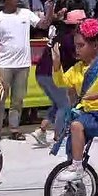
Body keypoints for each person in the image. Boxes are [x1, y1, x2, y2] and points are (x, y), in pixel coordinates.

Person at [51, 18, 98, 182]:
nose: (77, 50)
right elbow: (61, 82)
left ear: (95, 45)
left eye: (81, 45)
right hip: (85, 114)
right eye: (76, 45)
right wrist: (57, 65)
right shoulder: (77, 68)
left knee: (76, 126)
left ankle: (78, 169)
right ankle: (75, 185)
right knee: (72, 147)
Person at [0, 0, 54, 141]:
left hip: (23, 65)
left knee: (17, 100)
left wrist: (50, 9)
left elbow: (43, 24)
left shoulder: (26, 14)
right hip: (3, 65)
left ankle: (14, 129)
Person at [30, 10, 83, 145]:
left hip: (41, 72)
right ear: (78, 24)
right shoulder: (69, 39)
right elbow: (75, 59)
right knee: (64, 105)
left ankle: (41, 130)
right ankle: (58, 137)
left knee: (58, 103)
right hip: (50, 74)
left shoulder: (60, 35)